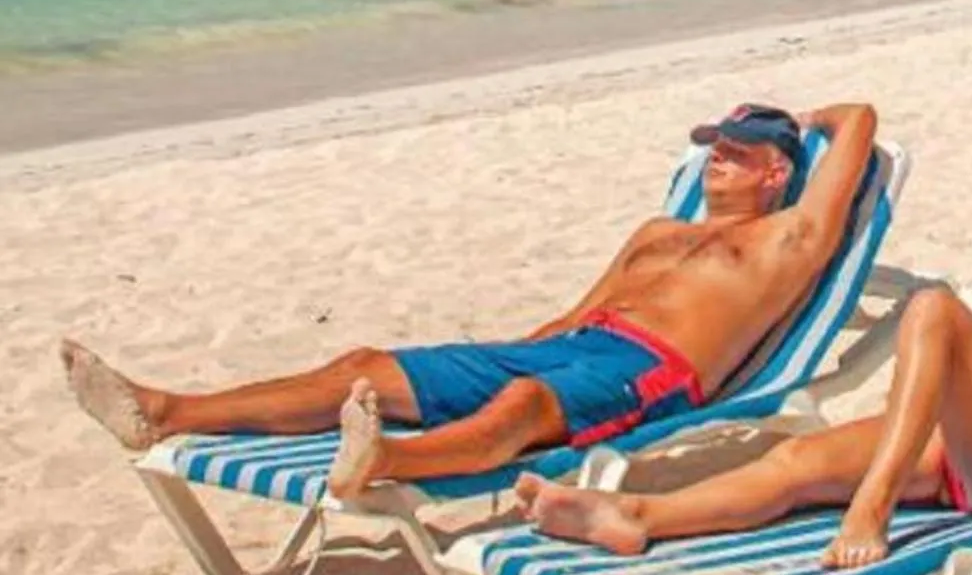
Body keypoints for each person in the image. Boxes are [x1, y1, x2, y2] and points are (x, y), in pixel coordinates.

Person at [60, 101, 878, 498]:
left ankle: (390, 459)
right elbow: (573, 312)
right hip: (569, 346)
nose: (717, 164)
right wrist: (500, 357)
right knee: (366, 368)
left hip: (653, 373)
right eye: (713, 152)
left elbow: (860, 120)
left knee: (525, 404)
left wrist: (808, 121)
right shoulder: (658, 229)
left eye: (736, 155)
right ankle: (167, 411)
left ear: (777, 171)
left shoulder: (787, 241)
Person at [514, 118, 972, 569]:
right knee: (794, 459)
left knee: (933, 307)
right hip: (956, 443)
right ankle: (636, 516)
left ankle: (870, 507)